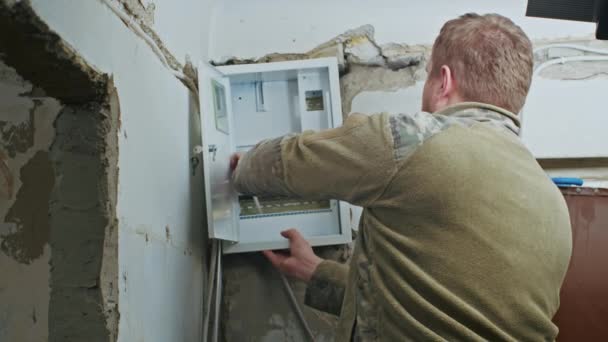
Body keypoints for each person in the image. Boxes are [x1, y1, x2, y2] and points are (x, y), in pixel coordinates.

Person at [230, 13, 572, 341]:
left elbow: (289, 162)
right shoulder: (552, 203)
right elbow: (440, 308)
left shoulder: (414, 139)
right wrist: (317, 273)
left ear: (444, 81)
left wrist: (240, 166)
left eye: (428, 76)